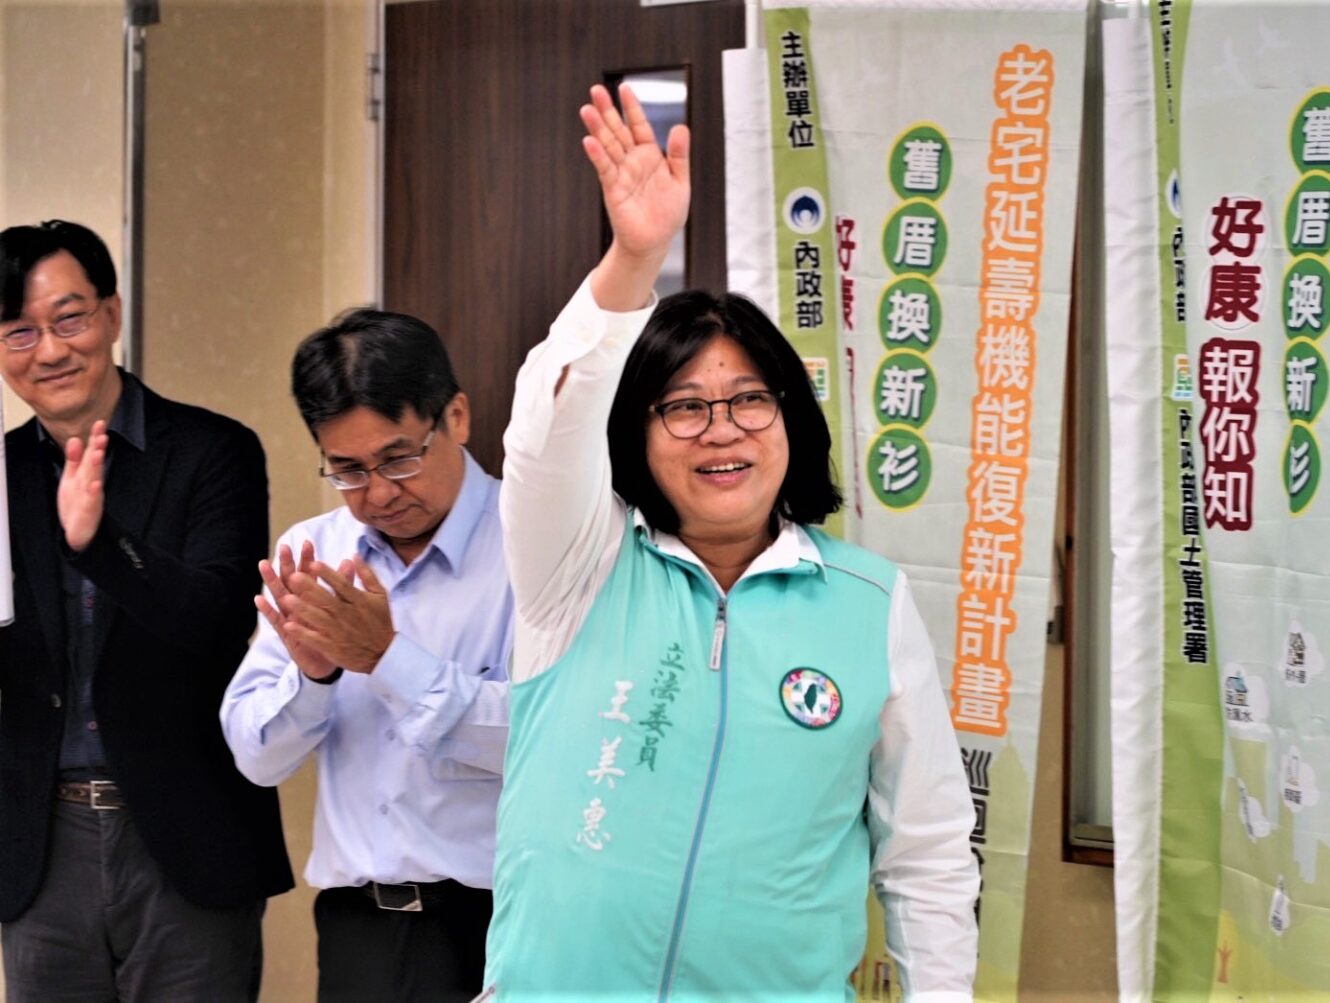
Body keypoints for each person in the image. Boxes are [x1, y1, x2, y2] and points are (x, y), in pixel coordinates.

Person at [483, 85, 978, 1000]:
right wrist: (635, 260)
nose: (722, 431)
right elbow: (545, 430)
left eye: (751, 399)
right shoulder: (577, 564)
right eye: (684, 407)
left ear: (790, 418)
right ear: (637, 432)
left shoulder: (868, 601)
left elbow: (928, 854)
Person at [0, 220, 293, 1001]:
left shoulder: (213, 450)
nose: (49, 350)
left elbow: (217, 619)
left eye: (69, 319)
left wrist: (98, 545)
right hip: (40, 847)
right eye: (19, 331)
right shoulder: (1, 475)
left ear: (112, 314)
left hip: (186, 835)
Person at [221, 308, 514, 1002]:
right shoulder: (315, 550)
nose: (379, 492)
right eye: (348, 470)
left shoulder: (530, 545)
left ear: (457, 417)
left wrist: (386, 659)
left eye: (399, 458)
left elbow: (550, 739)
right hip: (357, 929)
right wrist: (314, 676)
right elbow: (256, 758)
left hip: (497, 921)